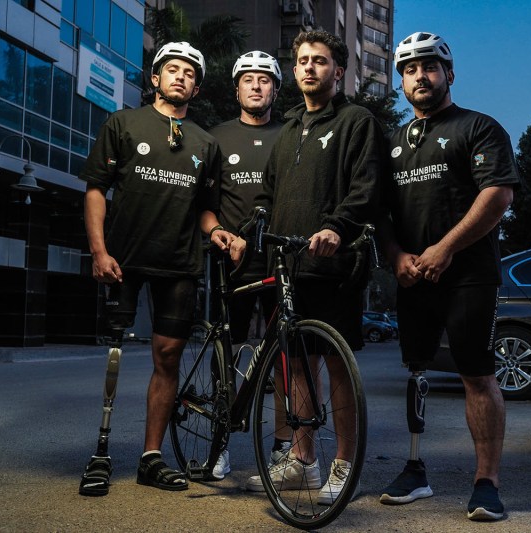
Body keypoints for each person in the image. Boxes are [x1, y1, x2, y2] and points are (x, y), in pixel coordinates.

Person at [231, 30, 385, 504]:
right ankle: (303, 463)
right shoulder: (289, 130)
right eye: (302, 61)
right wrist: (243, 230)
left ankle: (342, 463)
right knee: (295, 366)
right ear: (295, 71)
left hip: (334, 265)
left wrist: (338, 227)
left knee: (337, 367)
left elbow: (367, 189)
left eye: (320, 61)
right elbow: (267, 195)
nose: (310, 68)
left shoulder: (357, 121)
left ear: (338, 71)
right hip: (289, 267)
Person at [378, 32, 521, 521]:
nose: (420, 76)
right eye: (410, 69)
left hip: (469, 277)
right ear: (401, 80)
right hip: (413, 278)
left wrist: (444, 249)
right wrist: (397, 255)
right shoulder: (392, 142)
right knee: (416, 369)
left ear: (449, 73)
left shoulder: (478, 128)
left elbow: (498, 196)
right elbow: (382, 215)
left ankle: (487, 483)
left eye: (430, 67)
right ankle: (415, 470)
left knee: (476, 375)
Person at [78, 41, 226, 496]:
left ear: (196, 87)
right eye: (171, 70)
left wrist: (218, 231)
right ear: (156, 79)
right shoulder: (123, 123)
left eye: (188, 73)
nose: (179, 76)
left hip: (180, 265)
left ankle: (151, 457)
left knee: (168, 358)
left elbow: (205, 209)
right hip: (125, 259)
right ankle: (101, 453)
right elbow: (96, 190)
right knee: (116, 354)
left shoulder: (206, 142)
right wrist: (100, 253)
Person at [205, 50, 289, 480]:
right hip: (232, 261)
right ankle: (219, 444)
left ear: (276, 88)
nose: (257, 86)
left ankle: (282, 448)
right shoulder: (215, 137)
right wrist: (220, 231)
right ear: (236, 88)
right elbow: (203, 202)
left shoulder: (292, 133)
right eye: (248, 79)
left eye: (265, 79)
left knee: (285, 355)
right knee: (228, 351)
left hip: (281, 260)